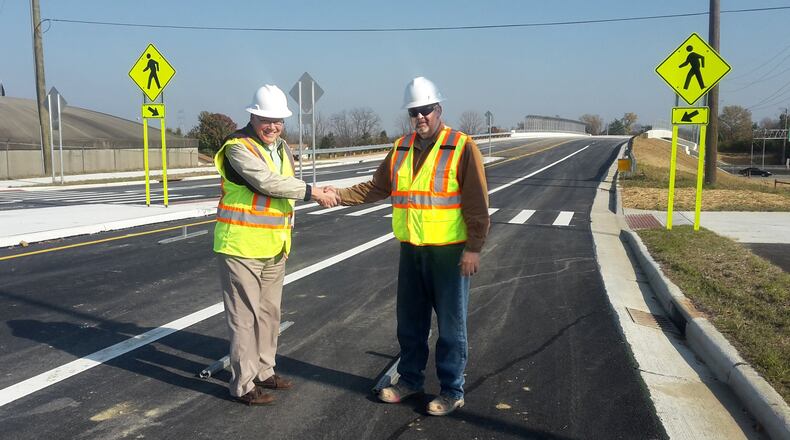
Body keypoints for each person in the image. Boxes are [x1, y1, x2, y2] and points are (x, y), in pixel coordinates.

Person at [335, 77, 489, 416]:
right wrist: (337, 196)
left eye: (426, 111)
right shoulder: (401, 148)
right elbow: (376, 188)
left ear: (439, 109)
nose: (420, 118)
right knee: (410, 323)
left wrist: (474, 248)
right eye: (413, 112)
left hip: (450, 253)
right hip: (412, 250)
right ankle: (410, 380)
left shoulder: (461, 146)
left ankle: (451, 390)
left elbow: (477, 203)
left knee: (451, 326)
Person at [213, 84, 339, 405]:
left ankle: (265, 371)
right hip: (240, 246)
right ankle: (243, 384)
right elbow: (268, 183)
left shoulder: (282, 147)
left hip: (274, 245)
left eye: (279, 120)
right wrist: (313, 192)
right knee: (245, 318)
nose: (273, 126)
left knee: (270, 313)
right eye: (266, 119)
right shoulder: (237, 147)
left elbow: (286, 184)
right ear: (252, 116)